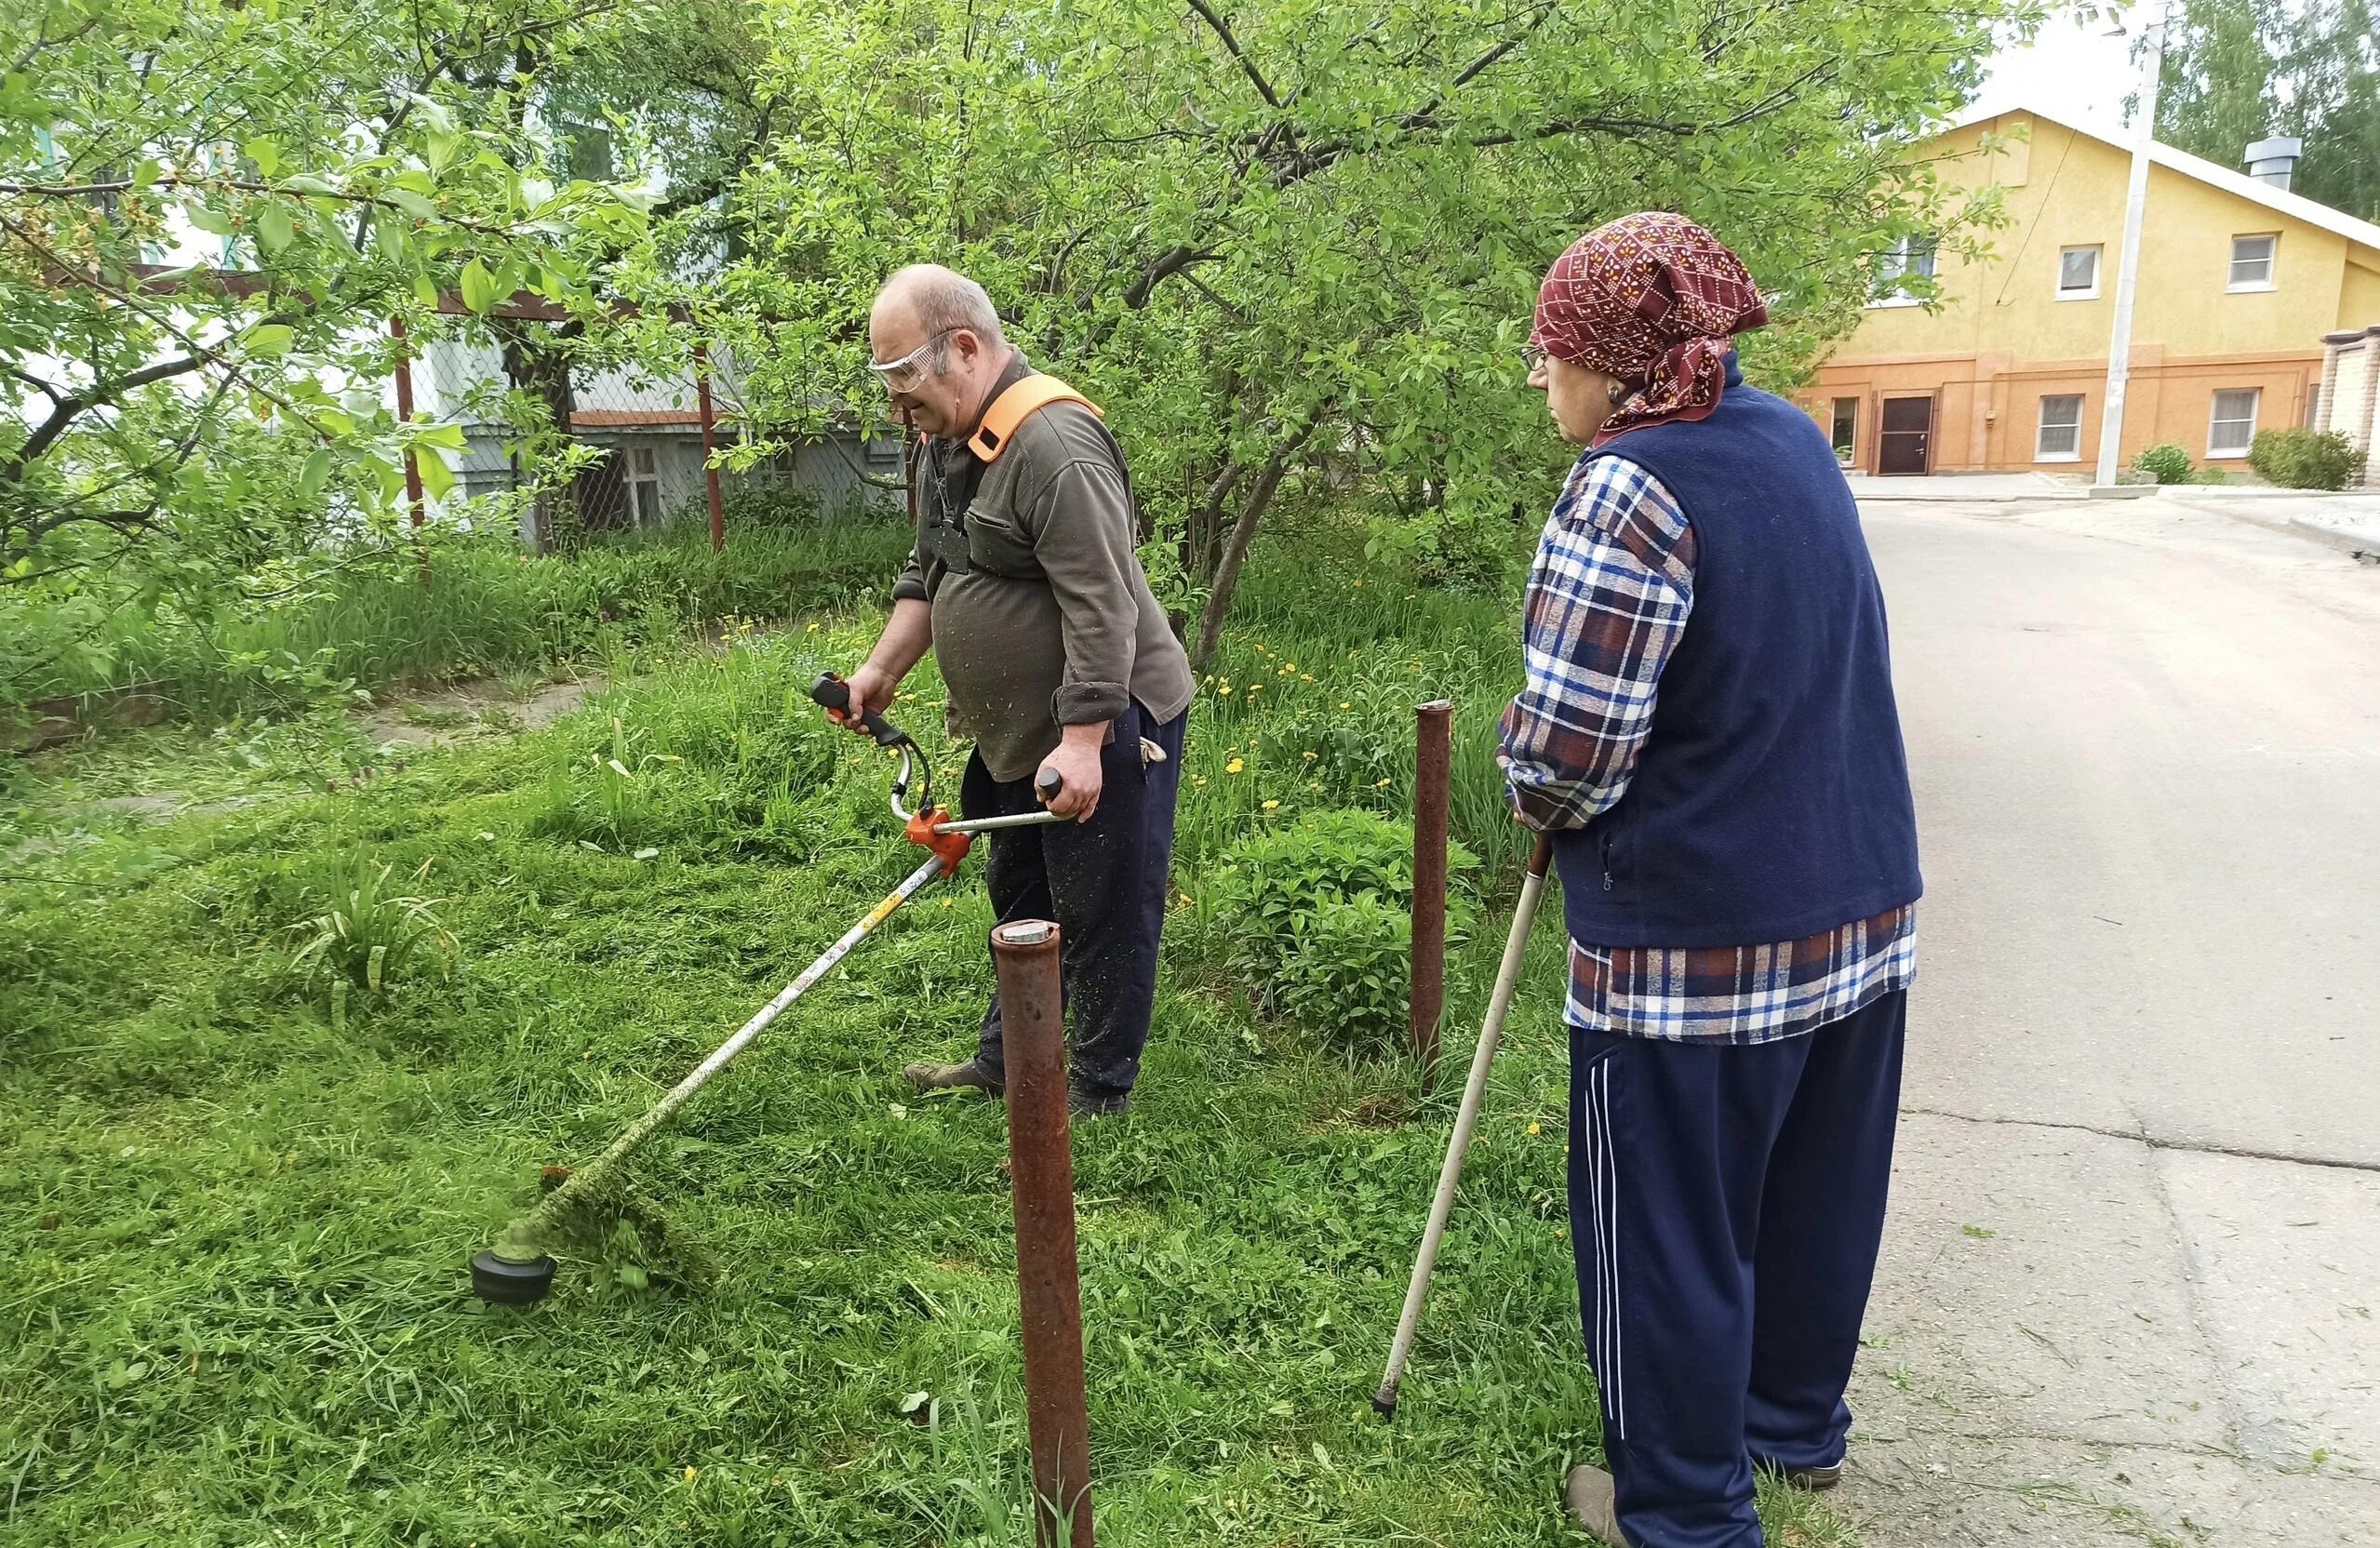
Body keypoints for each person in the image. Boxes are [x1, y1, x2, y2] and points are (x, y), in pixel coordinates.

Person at [1498, 213, 1922, 1547]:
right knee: (1812, 1195)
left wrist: (1528, 788)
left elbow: (1567, 761)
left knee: (1667, 1231)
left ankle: (1678, 1507)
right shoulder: (1792, 437)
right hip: (1856, 907)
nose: (1536, 377)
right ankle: (1792, 1429)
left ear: (1619, 363)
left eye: (1550, 349)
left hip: (1693, 949)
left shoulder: (1626, 487)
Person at [834, 264, 1194, 1118]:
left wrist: (1083, 742)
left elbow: (1103, 604)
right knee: (1022, 892)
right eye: (885, 384)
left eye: (903, 379)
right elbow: (932, 569)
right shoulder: (949, 442)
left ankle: (1100, 1093)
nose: (896, 407)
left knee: (1102, 905)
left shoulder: (1054, 447)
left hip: (1109, 719)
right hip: (1017, 728)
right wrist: (881, 672)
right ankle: (1008, 1058)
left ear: (964, 347)